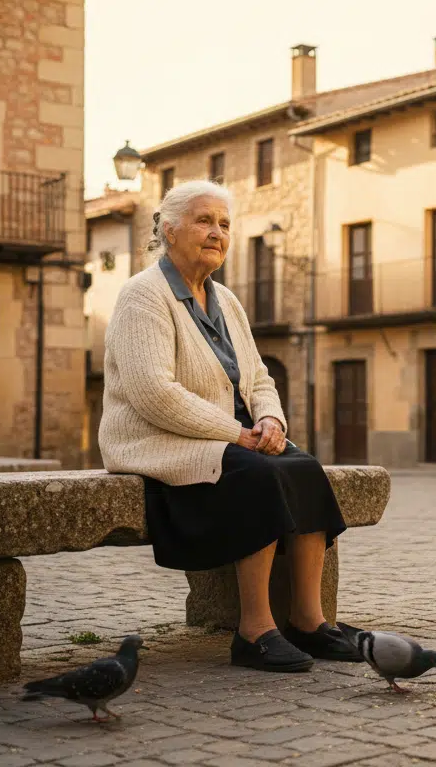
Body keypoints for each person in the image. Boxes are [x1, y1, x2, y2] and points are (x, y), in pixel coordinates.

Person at [99, 179, 356, 673]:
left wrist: (270, 419)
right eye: (204, 221)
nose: (217, 233)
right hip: (160, 439)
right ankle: (255, 631)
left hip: (228, 435)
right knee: (257, 476)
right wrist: (238, 433)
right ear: (168, 231)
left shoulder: (227, 301)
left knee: (305, 469)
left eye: (224, 224)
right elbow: (154, 394)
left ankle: (309, 621)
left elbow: (258, 375)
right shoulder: (142, 296)